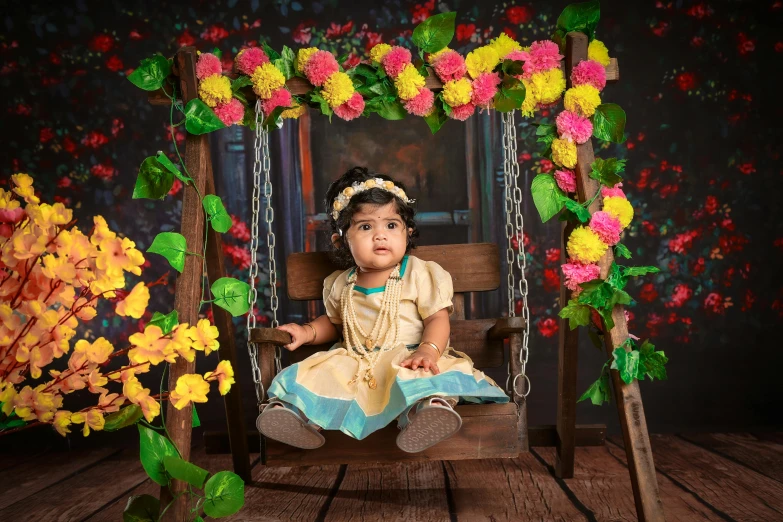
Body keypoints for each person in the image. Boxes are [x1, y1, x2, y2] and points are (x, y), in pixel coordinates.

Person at [257, 166, 508, 453]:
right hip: (355, 360)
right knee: (315, 374)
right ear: (342, 241)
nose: (380, 236)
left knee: (419, 376)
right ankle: (292, 416)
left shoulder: (418, 272)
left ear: (407, 232)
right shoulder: (342, 283)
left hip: (409, 354)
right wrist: (307, 331)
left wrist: (428, 350)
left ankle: (427, 414)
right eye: (366, 227)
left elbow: (437, 317)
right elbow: (335, 323)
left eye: (391, 225)